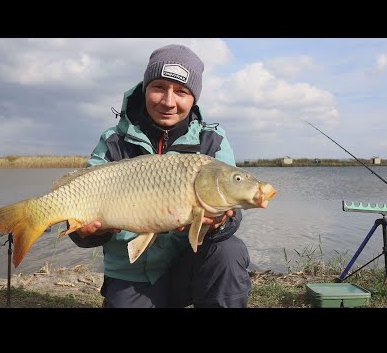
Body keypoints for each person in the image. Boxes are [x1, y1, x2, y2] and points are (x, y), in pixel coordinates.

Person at [68, 44, 251, 308]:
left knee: (229, 251)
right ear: (145, 89)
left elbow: (233, 216)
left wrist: (220, 222)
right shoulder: (113, 142)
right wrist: (86, 233)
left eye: (181, 92)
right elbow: (78, 224)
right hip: (131, 273)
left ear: (193, 98)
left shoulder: (212, 141)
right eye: (158, 88)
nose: (168, 101)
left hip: (191, 265)